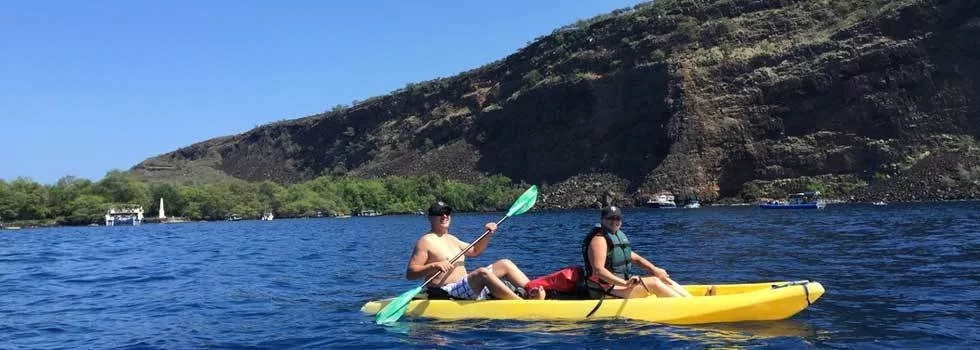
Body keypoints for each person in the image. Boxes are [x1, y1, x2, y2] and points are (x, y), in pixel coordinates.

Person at [406, 201, 545, 300]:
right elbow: (410, 273)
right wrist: (434, 265)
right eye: (439, 213)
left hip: (464, 286)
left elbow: (475, 251)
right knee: (482, 273)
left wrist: (488, 233)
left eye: (447, 213)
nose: (444, 216)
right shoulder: (425, 241)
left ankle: (533, 291)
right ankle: (520, 304)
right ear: (430, 217)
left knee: (505, 263)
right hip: (446, 291)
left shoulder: (453, 239)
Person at [581, 205, 712, 299]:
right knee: (654, 283)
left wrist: (655, 270)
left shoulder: (615, 236)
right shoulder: (599, 239)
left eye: (617, 219)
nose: (614, 222)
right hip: (604, 290)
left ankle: (690, 301)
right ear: (602, 220)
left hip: (619, 286)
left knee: (660, 277)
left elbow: (634, 258)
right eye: (610, 218)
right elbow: (598, 271)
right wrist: (625, 283)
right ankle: (688, 307)